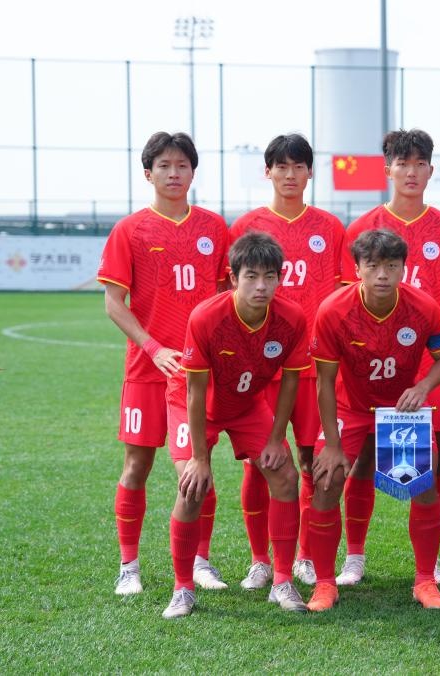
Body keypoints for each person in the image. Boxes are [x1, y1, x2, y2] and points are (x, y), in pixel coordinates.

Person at [335, 129, 440, 588]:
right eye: (403, 164)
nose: (411, 172)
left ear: (431, 170)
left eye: (420, 164)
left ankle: (430, 563)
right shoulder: (362, 227)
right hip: (369, 367)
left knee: (435, 461)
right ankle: (354, 556)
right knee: (362, 459)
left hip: (429, 366)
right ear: (387, 170)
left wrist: (427, 351)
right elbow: (349, 300)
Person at [97, 131, 229, 596]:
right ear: (148, 174)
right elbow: (114, 303)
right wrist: (154, 349)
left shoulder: (215, 228)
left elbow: (226, 297)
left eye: (182, 166)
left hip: (197, 374)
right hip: (146, 370)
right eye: (165, 166)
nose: (174, 174)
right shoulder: (130, 230)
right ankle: (128, 566)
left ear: (193, 172)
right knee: (137, 465)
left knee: (197, 468)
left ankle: (200, 562)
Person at [162, 231, 310, 619]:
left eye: (269, 277)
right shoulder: (207, 317)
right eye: (251, 276)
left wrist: (277, 439)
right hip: (194, 405)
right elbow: (195, 392)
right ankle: (183, 588)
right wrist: (199, 458)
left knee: (285, 475)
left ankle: (282, 581)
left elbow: (290, 381)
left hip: (246, 405)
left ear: (280, 278)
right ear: (233, 278)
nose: (261, 286)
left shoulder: (291, 318)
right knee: (193, 486)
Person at [304, 229, 440, 611]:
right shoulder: (334, 311)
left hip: (400, 409)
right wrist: (332, 445)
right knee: (327, 480)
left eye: (391, 265)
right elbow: (324, 381)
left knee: (423, 483)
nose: (382, 274)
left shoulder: (424, 308)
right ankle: (324, 584)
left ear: (404, 268)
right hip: (350, 408)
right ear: (357, 269)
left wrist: (422, 387)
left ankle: (424, 581)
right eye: (372, 266)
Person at [228, 133, 345, 590]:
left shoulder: (330, 228)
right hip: (261, 371)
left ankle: (306, 557)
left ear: (310, 172)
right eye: (281, 166)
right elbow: (231, 297)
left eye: (298, 166)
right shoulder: (247, 226)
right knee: (259, 463)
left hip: (314, 368)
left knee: (313, 461)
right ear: (268, 172)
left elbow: (343, 298)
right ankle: (260, 559)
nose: (290, 174)